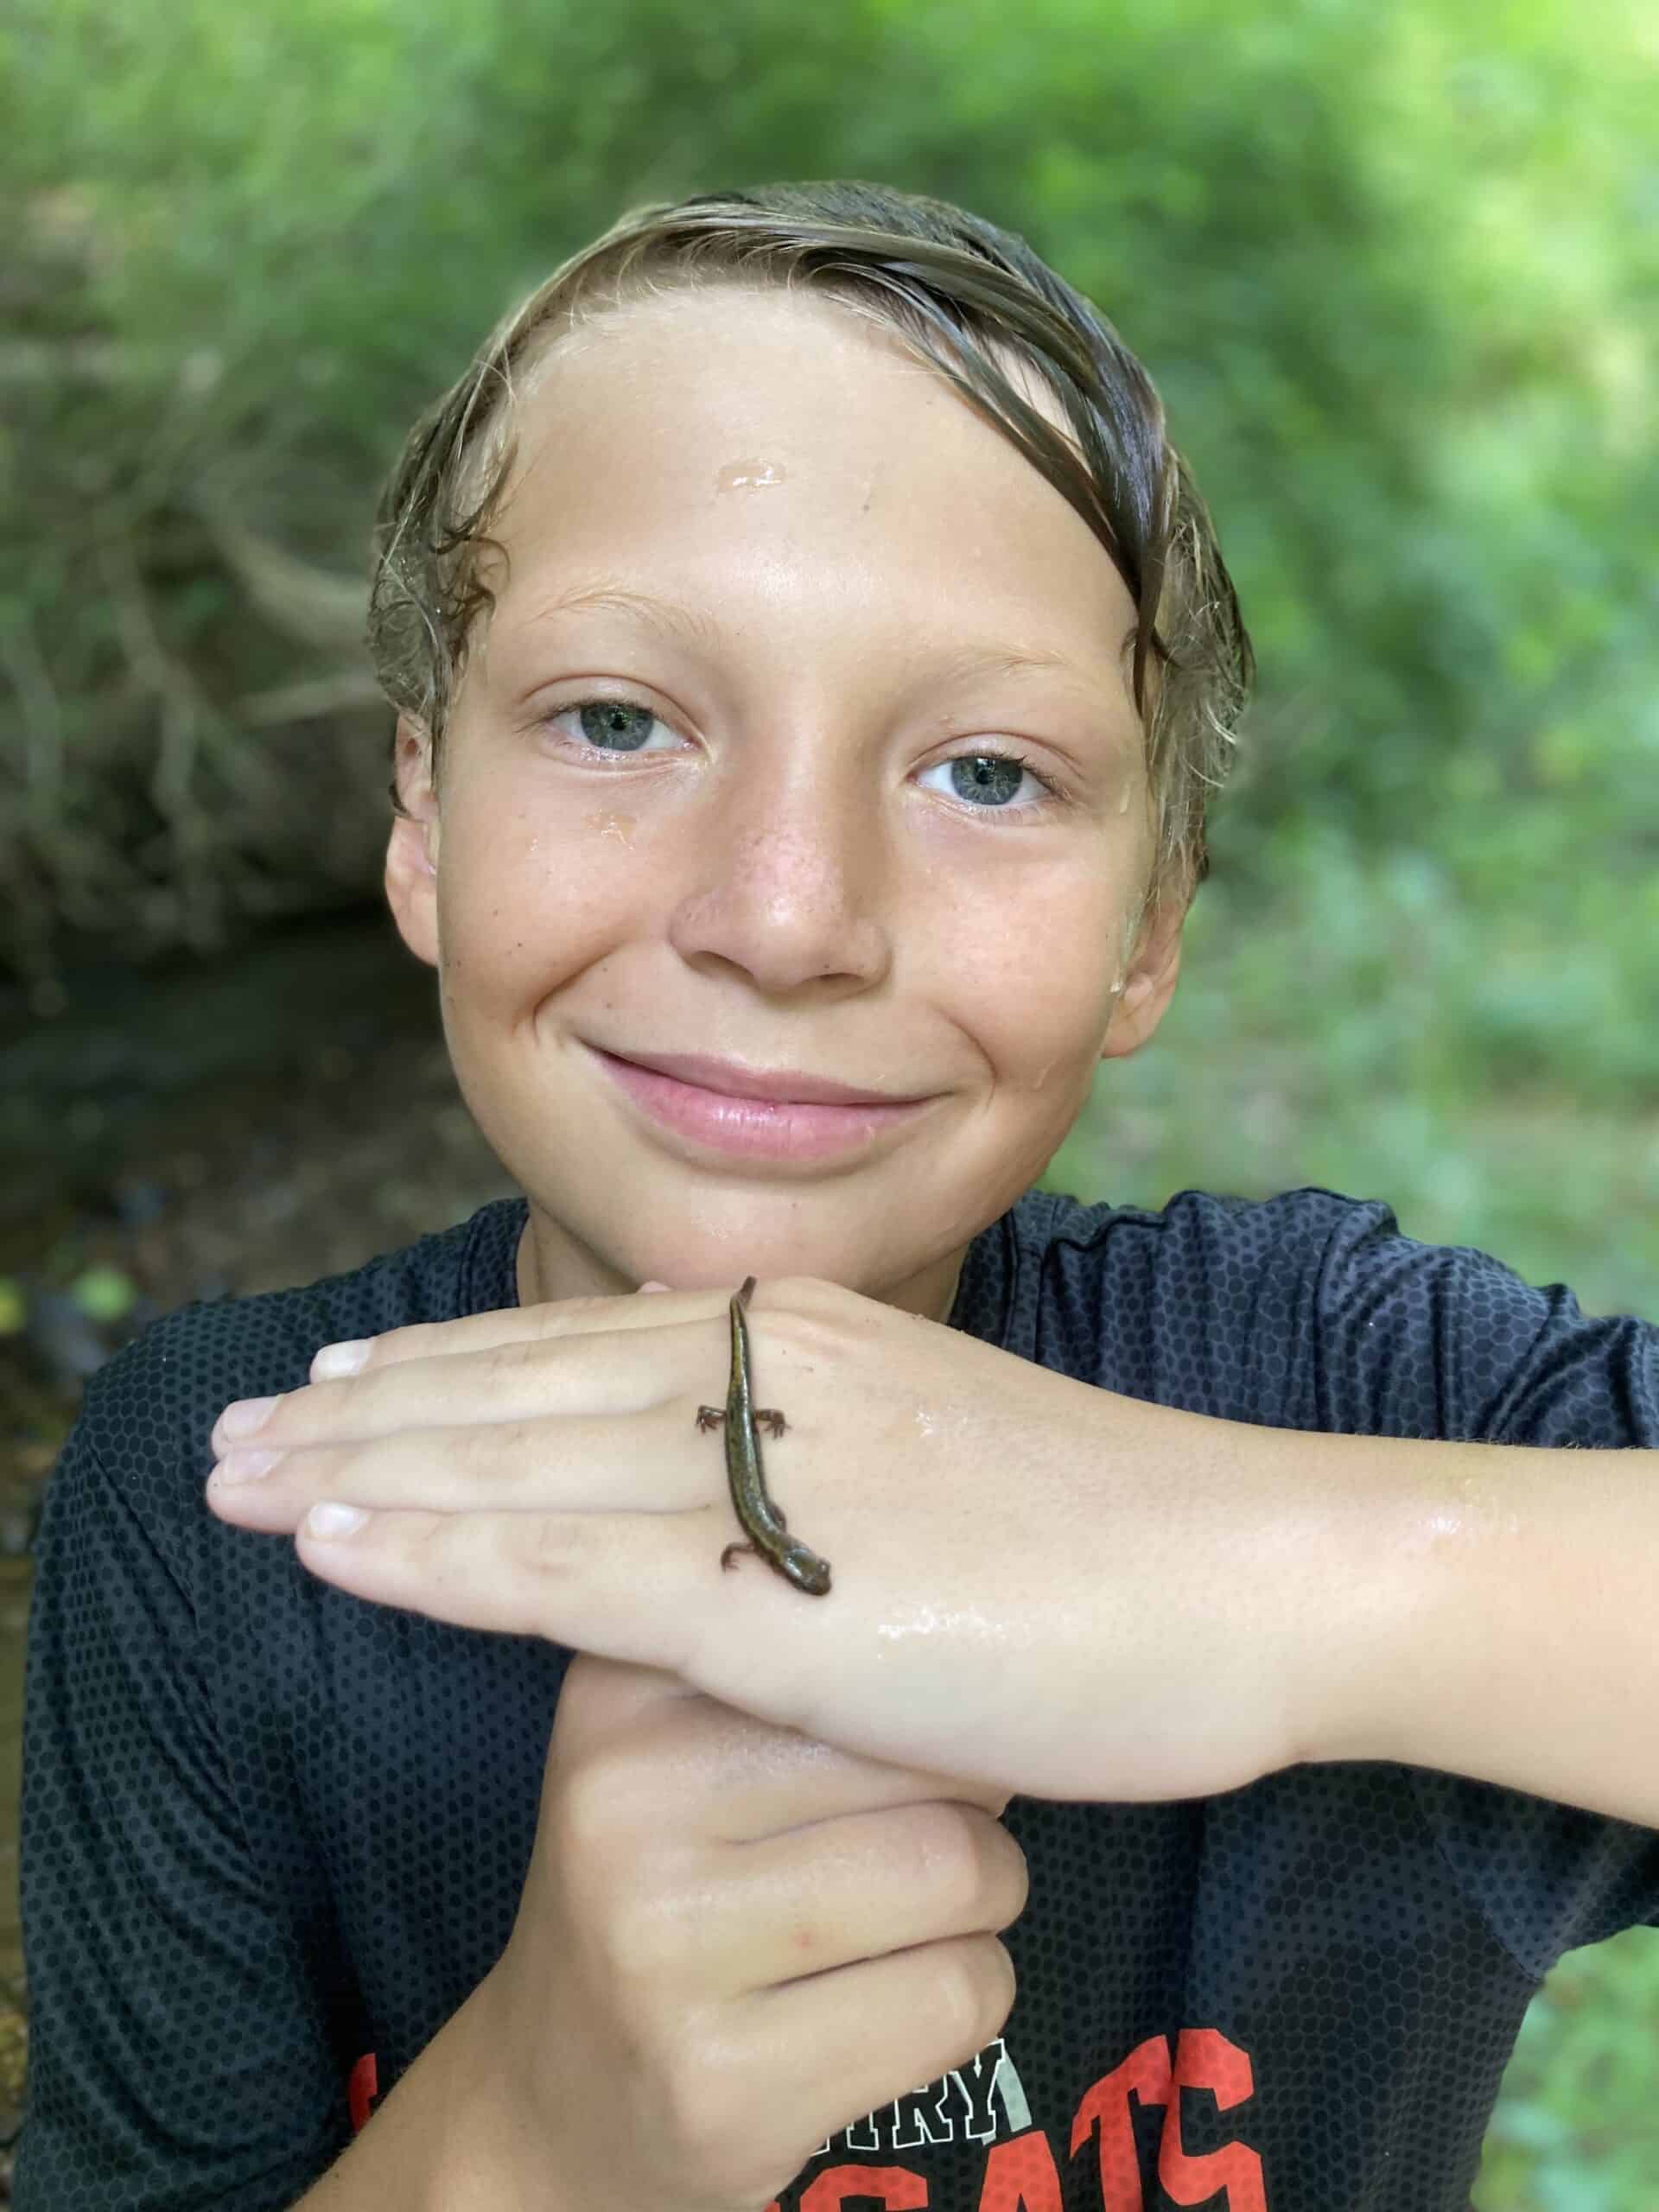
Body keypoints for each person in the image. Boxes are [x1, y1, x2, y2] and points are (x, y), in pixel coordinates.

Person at [15, 180, 1658, 2212]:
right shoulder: (222, 1488)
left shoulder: (1337, 1382)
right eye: (618, 721)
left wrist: (1261, 1568)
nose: (787, 917)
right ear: (425, 817)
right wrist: (525, 2137)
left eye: (986, 773)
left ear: (1152, 926)